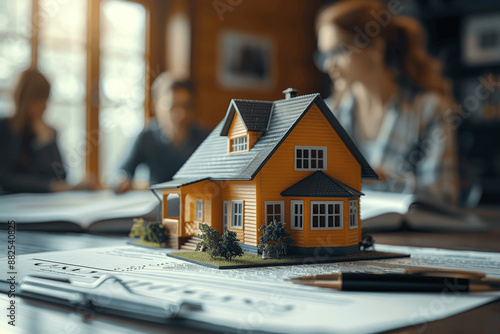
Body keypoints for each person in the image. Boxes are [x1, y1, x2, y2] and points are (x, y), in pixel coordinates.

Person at [315, 0, 459, 204]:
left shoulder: (430, 110)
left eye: (339, 51)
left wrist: (379, 178)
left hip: (410, 234)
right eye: (324, 54)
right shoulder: (329, 114)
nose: (328, 65)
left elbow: (443, 195)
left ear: (375, 47)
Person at [0, 68, 97, 193]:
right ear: (26, 100)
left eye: (45, 101)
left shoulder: (48, 132)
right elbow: (5, 179)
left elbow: (60, 176)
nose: (44, 107)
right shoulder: (4, 129)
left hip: (44, 205)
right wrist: (49, 186)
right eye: (39, 101)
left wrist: (45, 142)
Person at [115, 74, 209, 193]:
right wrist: (126, 182)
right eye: (172, 106)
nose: (181, 114)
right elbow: (121, 173)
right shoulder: (147, 136)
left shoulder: (206, 139)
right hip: (155, 205)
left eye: (187, 106)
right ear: (155, 106)